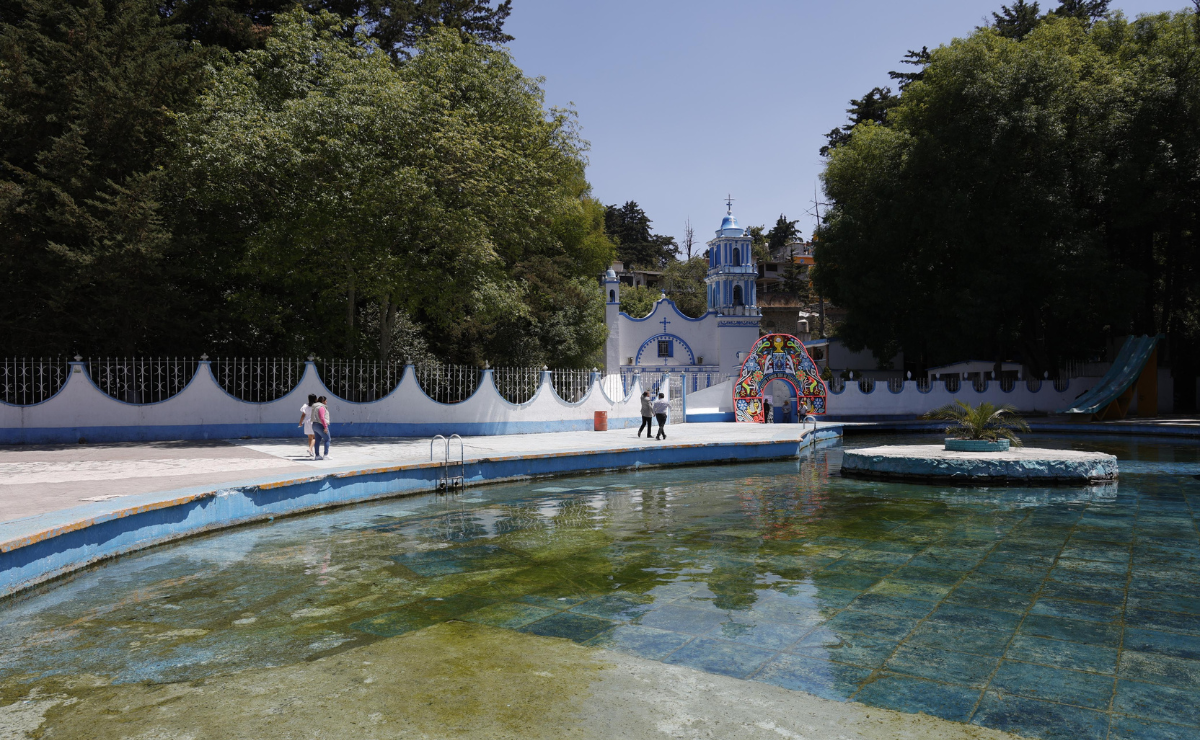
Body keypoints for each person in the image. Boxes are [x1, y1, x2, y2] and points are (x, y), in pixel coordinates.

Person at [312, 395, 331, 460]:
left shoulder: (315, 407)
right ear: (323, 401)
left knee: (317, 440)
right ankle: (326, 455)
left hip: (314, 424)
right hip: (320, 425)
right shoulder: (321, 407)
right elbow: (322, 418)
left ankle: (317, 455)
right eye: (326, 401)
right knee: (327, 439)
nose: (326, 402)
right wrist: (325, 427)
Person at [298, 393, 316, 458]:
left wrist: (300, 422)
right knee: (315, 437)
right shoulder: (316, 406)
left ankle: (311, 452)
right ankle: (310, 449)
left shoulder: (305, 405)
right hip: (314, 421)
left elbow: (303, 415)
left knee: (310, 437)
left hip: (307, 422)